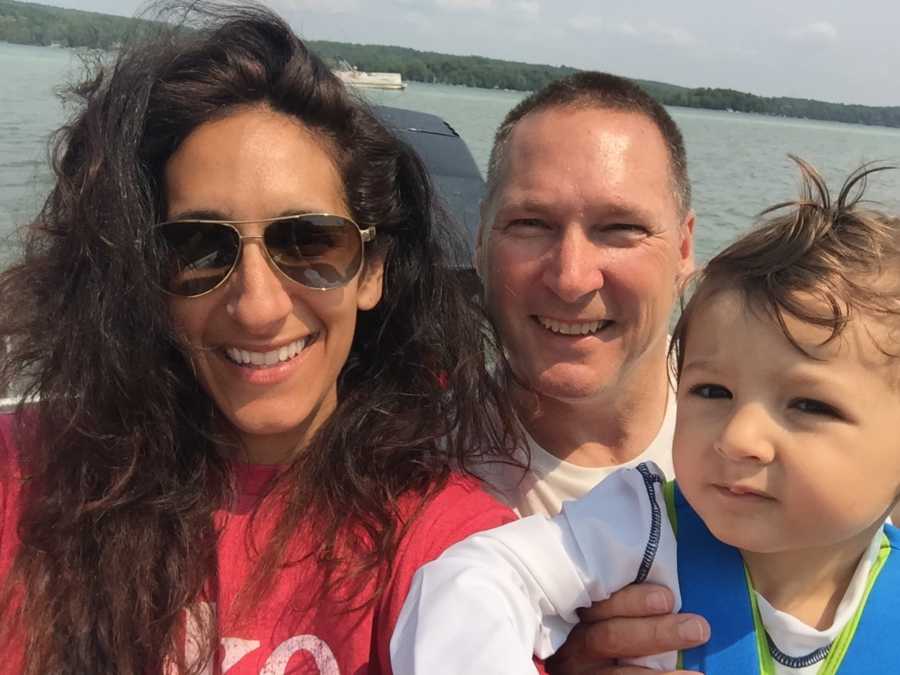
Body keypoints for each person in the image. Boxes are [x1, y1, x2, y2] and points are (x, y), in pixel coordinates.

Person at [0, 4, 524, 673]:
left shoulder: (443, 547)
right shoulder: (28, 479)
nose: (256, 306)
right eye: (198, 247)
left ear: (372, 269)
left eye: (308, 241)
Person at [393, 160, 900, 673]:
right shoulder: (644, 525)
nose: (738, 437)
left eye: (808, 404)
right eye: (712, 391)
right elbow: (471, 582)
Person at [476, 71, 710, 670]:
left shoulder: (777, 447)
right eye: (532, 224)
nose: (572, 276)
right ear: (479, 240)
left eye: (620, 229)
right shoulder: (404, 463)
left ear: (684, 250)